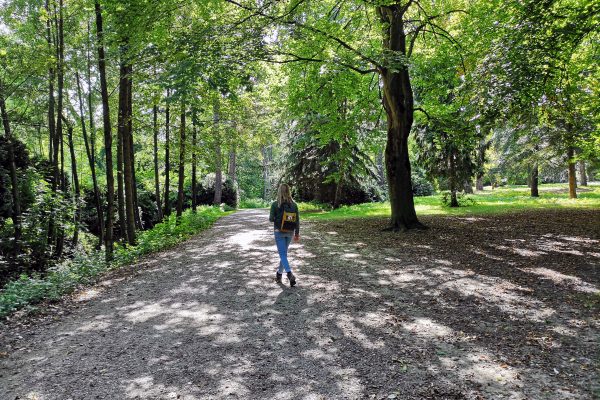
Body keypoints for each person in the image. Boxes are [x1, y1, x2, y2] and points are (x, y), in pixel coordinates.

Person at [269, 183, 300, 287]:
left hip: (279, 232)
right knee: (284, 255)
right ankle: (278, 274)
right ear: (288, 191)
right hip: (290, 232)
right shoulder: (294, 205)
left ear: (279, 191)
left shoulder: (275, 204)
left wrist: (276, 218)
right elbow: (297, 221)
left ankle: (290, 274)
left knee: (282, 255)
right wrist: (297, 233)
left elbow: (270, 219)